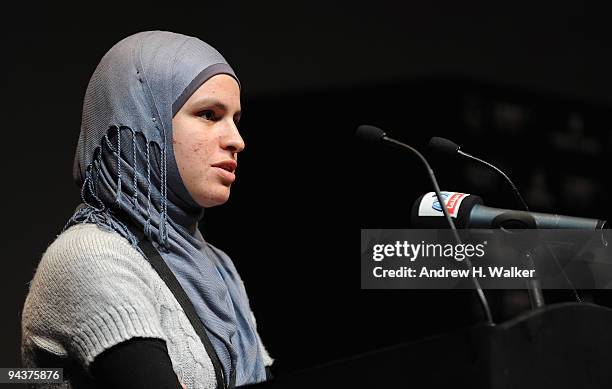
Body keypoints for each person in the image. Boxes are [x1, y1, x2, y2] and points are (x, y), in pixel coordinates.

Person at [21, 30, 273, 389]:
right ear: (142, 119)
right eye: (208, 114)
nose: (237, 139)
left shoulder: (220, 270)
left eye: (235, 118)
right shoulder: (91, 255)